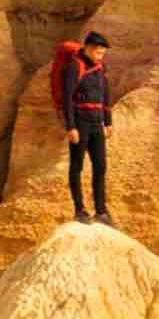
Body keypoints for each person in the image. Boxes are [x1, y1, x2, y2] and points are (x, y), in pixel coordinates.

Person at [49, 25, 119, 222]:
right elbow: (68, 98)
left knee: (100, 165)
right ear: (88, 48)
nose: (100, 56)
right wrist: (70, 126)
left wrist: (108, 121)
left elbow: (105, 95)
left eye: (103, 53)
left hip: (97, 121)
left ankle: (101, 210)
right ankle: (79, 209)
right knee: (77, 165)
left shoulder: (99, 67)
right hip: (80, 121)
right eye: (98, 52)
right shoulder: (75, 65)